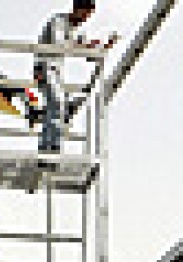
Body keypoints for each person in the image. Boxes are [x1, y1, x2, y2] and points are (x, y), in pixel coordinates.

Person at [32, 0, 119, 155]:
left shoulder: (75, 30)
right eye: (85, 15)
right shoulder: (58, 21)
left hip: (57, 70)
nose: (86, 19)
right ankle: (49, 149)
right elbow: (60, 45)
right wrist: (83, 46)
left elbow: (87, 55)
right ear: (77, 9)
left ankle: (51, 142)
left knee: (60, 107)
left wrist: (100, 48)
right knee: (57, 104)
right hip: (46, 67)